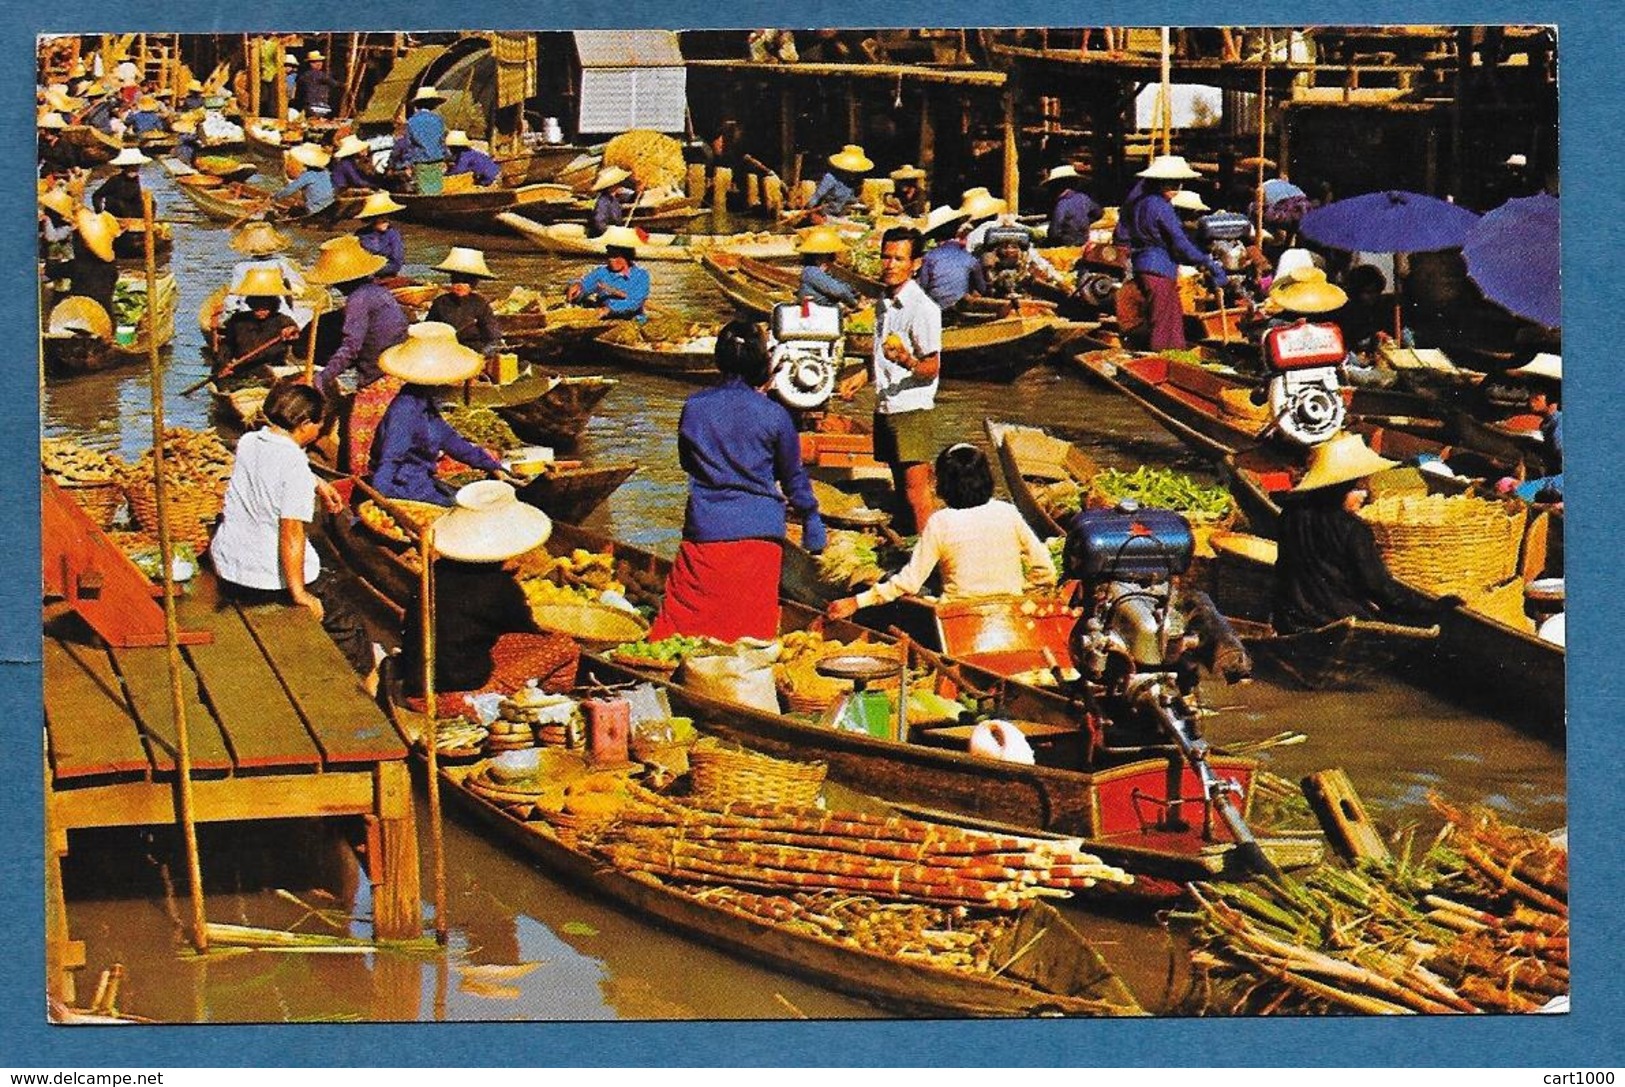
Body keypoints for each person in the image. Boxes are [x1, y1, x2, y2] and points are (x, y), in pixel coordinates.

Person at [646, 319, 825, 643]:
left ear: (719, 359)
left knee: (682, 634)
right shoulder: (774, 415)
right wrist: (811, 518)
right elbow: (793, 477)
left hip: (706, 534)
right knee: (747, 640)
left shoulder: (695, 408)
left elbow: (687, 462)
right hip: (759, 542)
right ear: (762, 363)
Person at [208, 381, 377, 690]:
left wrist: (317, 482)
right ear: (304, 424)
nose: (321, 429)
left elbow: (274, 467)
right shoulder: (295, 466)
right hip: (265, 578)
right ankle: (366, 690)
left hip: (230, 563)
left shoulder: (248, 441)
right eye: (319, 423)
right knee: (351, 629)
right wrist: (300, 594)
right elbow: (292, 534)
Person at [826, 443, 1056, 619]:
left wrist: (857, 602)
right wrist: (1020, 593)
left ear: (944, 485)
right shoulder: (1008, 512)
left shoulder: (940, 522)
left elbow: (909, 582)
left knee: (892, 579)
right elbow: (1045, 569)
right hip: (1008, 611)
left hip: (958, 617)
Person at [398, 481, 579, 701]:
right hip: (460, 692)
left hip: (417, 681)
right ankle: (544, 700)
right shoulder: (500, 586)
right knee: (565, 646)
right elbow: (527, 628)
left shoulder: (434, 572)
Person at [1272, 431, 1458, 635]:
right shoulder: (1353, 529)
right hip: (1335, 621)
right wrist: (1434, 606)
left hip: (1290, 617)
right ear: (1340, 489)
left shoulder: (1290, 513)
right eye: (1357, 487)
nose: (1365, 494)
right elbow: (1382, 590)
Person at [836, 225, 942, 535]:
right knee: (899, 483)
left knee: (916, 491)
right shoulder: (884, 303)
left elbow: (931, 366)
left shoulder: (922, 309)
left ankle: (929, 553)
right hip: (886, 404)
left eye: (898, 259)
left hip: (910, 408)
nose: (890, 265)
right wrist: (862, 376)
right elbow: (883, 356)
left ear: (915, 264)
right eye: (886, 258)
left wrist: (907, 360)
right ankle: (908, 540)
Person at [308, 235, 411, 476]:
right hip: (396, 367)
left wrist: (323, 377)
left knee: (358, 434)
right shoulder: (378, 291)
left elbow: (352, 346)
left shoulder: (359, 299)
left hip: (381, 376)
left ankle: (362, 480)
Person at [368, 322, 503, 503]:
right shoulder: (405, 410)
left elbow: (452, 441)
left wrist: (493, 466)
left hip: (423, 482)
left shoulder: (426, 404)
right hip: (404, 489)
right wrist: (381, 501)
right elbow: (389, 461)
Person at [1116, 154, 1229, 350]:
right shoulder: (1160, 206)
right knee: (1165, 321)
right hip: (1158, 267)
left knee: (1169, 315)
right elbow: (1180, 242)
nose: (1176, 188)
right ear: (1160, 183)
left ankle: (1171, 354)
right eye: (1171, 183)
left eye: (1178, 183)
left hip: (1146, 265)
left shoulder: (1141, 203)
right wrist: (1207, 262)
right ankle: (1165, 358)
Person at [216, 269, 300, 390]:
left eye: (265, 304)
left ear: (273, 304)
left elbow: (296, 337)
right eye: (257, 304)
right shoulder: (238, 320)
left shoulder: (283, 321)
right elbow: (226, 346)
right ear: (251, 303)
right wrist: (224, 365)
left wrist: (292, 332)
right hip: (243, 369)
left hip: (274, 370)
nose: (261, 309)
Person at [1496, 353, 1563, 503]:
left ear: (1551, 395)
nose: (1530, 396)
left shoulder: (1560, 427)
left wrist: (1531, 487)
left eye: (1536, 391)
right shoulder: (1550, 424)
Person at [426, 247, 501, 354]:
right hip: (445, 350)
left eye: (466, 281)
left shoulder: (480, 304)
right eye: (456, 280)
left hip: (473, 350)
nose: (460, 285)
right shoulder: (440, 302)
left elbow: (493, 335)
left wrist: (485, 353)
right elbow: (428, 329)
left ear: (473, 284)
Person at [915, 204, 986, 318]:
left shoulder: (929, 257)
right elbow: (982, 288)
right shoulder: (970, 258)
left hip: (938, 311)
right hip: (958, 311)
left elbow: (922, 287)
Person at [566, 225, 650, 320]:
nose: (611, 260)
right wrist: (577, 287)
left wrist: (609, 309)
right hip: (605, 318)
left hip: (632, 319)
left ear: (626, 256)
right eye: (609, 255)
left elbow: (634, 302)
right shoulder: (602, 273)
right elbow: (585, 284)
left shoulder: (641, 276)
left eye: (615, 256)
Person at [66, 208, 120, 315]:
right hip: (104, 317)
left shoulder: (79, 265)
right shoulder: (110, 265)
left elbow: (53, 271)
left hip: (84, 317)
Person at [795, 226, 862, 309]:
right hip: (818, 313)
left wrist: (853, 291)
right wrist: (855, 303)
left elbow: (842, 287)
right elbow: (840, 291)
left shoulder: (820, 271)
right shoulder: (811, 272)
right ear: (823, 256)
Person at [402, 85, 448, 195]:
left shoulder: (412, 122)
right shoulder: (438, 120)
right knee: (436, 192)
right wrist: (446, 157)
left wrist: (407, 164)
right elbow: (442, 141)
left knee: (424, 193)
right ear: (433, 104)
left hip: (420, 162)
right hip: (437, 161)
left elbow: (408, 144)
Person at [1044, 164, 1103, 247]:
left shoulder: (1062, 205)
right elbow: (1099, 213)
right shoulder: (1084, 198)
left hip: (1067, 244)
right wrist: (1085, 221)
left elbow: (1054, 232)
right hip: (1083, 240)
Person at [352, 191, 407, 278]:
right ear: (372, 218)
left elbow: (397, 263)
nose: (386, 221)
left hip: (386, 275)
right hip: (364, 275)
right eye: (381, 217)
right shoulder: (360, 234)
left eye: (387, 217)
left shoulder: (393, 234)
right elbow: (355, 259)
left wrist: (374, 271)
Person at [809, 144, 871, 221]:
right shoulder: (830, 178)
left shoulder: (853, 182)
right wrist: (812, 214)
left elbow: (852, 201)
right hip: (826, 216)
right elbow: (816, 197)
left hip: (844, 217)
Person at [274, 142, 337, 218]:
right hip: (328, 208)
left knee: (292, 210)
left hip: (314, 211)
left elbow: (289, 190)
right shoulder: (326, 173)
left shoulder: (308, 175)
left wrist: (275, 197)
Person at [92, 147, 148, 219]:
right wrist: (99, 212)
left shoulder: (135, 181)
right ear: (125, 167)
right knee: (119, 204)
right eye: (130, 166)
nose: (133, 169)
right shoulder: (115, 180)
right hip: (114, 215)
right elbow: (97, 195)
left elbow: (137, 201)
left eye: (136, 166)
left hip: (131, 216)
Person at [587, 166, 636, 237]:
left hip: (615, 231)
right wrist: (611, 234)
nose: (619, 185)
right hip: (607, 235)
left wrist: (637, 192)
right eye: (617, 184)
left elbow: (630, 198)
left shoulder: (615, 198)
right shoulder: (603, 202)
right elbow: (599, 222)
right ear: (611, 187)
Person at [294, 50, 339, 118]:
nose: (319, 63)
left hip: (307, 106)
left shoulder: (302, 76)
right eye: (315, 62)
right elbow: (334, 84)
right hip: (319, 106)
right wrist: (345, 85)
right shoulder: (319, 75)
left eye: (320, 61)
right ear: (310, 64)